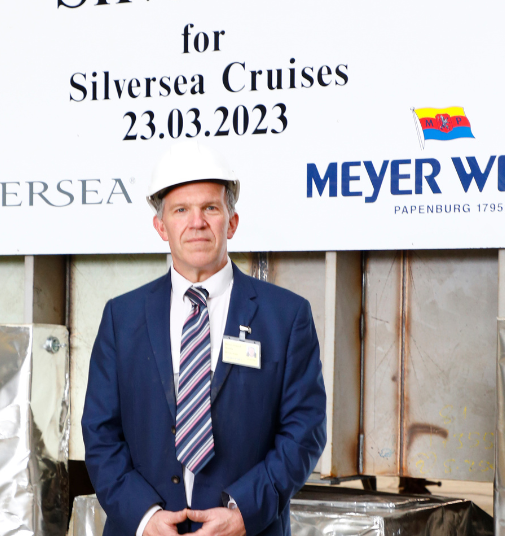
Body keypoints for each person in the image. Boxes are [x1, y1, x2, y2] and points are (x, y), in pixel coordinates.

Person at [82, 141, 326, 536]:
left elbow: (304, 430)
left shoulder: (287, 316)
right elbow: (100, 432)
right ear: (161, 227)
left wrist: (243, 512)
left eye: (210, 208)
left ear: (231, 222)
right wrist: (144, 518)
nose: (196, 222)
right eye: (181, 210)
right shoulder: (121, 318)